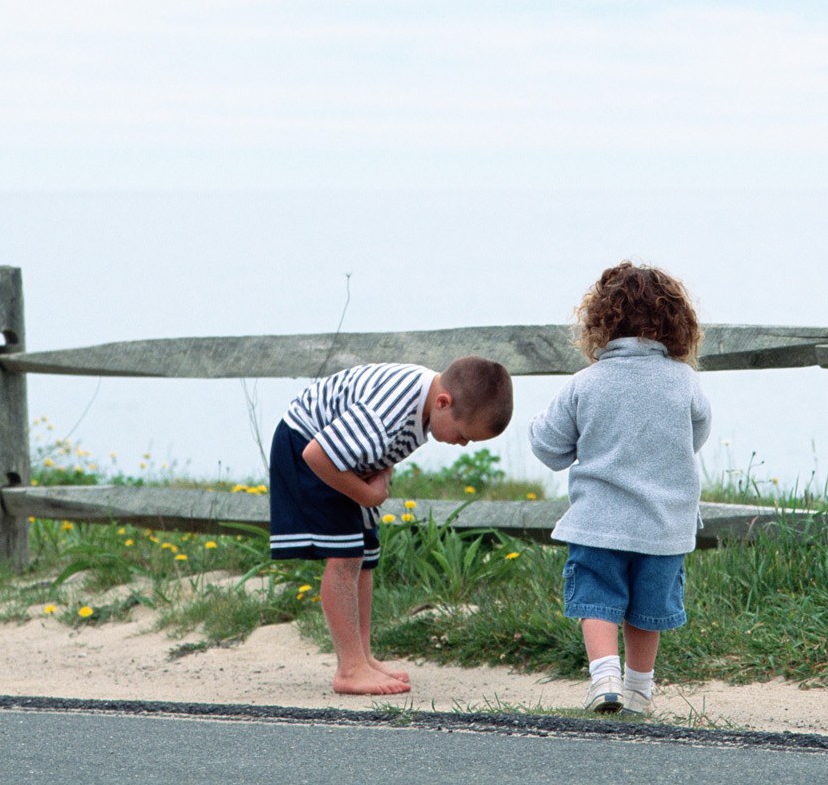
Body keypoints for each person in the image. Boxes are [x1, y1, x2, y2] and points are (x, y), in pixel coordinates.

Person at [528, 262, 711, 716]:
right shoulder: (685, 382)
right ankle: (639, 689)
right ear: (676, 324)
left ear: (599, 322)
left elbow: (550, 448)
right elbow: (698, 434)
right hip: (664, 527)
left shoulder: (585, 384)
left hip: (599, 525)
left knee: (598, 599)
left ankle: (604, 676)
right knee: (648, 609)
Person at [270, 356, 513, 695]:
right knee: (345, 557)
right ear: (444, 403)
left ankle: (362, 656)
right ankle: (350, 669)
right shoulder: (388, 413)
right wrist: (368, 496)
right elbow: (317, 454)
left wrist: (381, 475)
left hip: (344, 459)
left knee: (366, 553)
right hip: (307, 446)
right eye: (462, 436)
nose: (462, 444)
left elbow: (383, 448)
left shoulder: (426, 404)